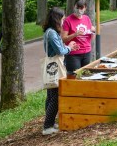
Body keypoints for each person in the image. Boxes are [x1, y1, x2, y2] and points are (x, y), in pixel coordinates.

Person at [42, 7, 79, 135]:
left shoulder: (51, 31)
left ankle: (49, 124)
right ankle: (47, 126)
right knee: (56, 98)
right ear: (57, 19)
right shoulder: (51, 33)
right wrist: (69, 48)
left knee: (51, 96)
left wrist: (69, 47)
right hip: (55, 67)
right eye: (62, 18)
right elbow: (60, 51)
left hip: (53, 66)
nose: (63, 21)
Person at [61, 0, 96, 73]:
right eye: (77, 8)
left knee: (86, 75)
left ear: (85, 9)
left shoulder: (87, 18)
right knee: (74, 76)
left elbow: (92, 38)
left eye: (81, 8)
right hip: (73, 54)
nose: (79, 10)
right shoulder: (68, 20)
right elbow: (63, 39)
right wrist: (74, 34)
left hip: (86, 52)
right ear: (74, 7)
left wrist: (93, 31)